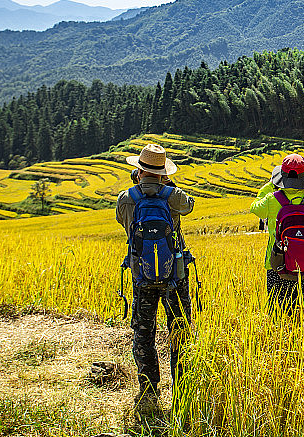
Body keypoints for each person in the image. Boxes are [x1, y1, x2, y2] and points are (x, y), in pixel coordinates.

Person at [116, 143, 195, 413]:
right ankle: (183, 391)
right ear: (163, 172)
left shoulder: (126, 198)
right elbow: (190, 207)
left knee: (144, 332)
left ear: (138, 170)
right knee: (179, 331)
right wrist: (167, 187)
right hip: (175, 275)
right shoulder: (174, 195)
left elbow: (123, 223)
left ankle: (148, 391)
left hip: (143, 276)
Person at [250, 154, 304, 315]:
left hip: (277, 262)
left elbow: (255, 207)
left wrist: (271, 185)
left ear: (281, 178)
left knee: (277, 311)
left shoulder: (271, 200)